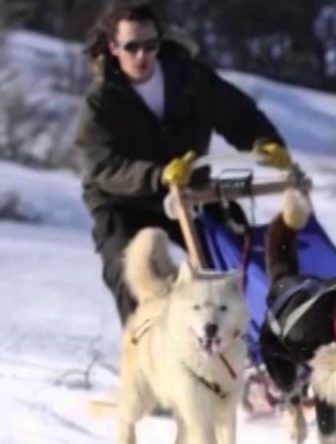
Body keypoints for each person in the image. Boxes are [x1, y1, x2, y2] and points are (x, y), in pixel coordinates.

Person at [74, 1, 293, 325]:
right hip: (124, 203)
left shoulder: (189, 79)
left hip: (189, 193)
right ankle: (152, 357)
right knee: (135, 277)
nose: (142, 56)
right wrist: (158, 175)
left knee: (234, 257)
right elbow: (103, 166)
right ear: (113, 47)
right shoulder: (101, 101)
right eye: (131, 47)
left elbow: (237, 114)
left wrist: (265, 142)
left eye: (150, 45)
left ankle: (254, 345)